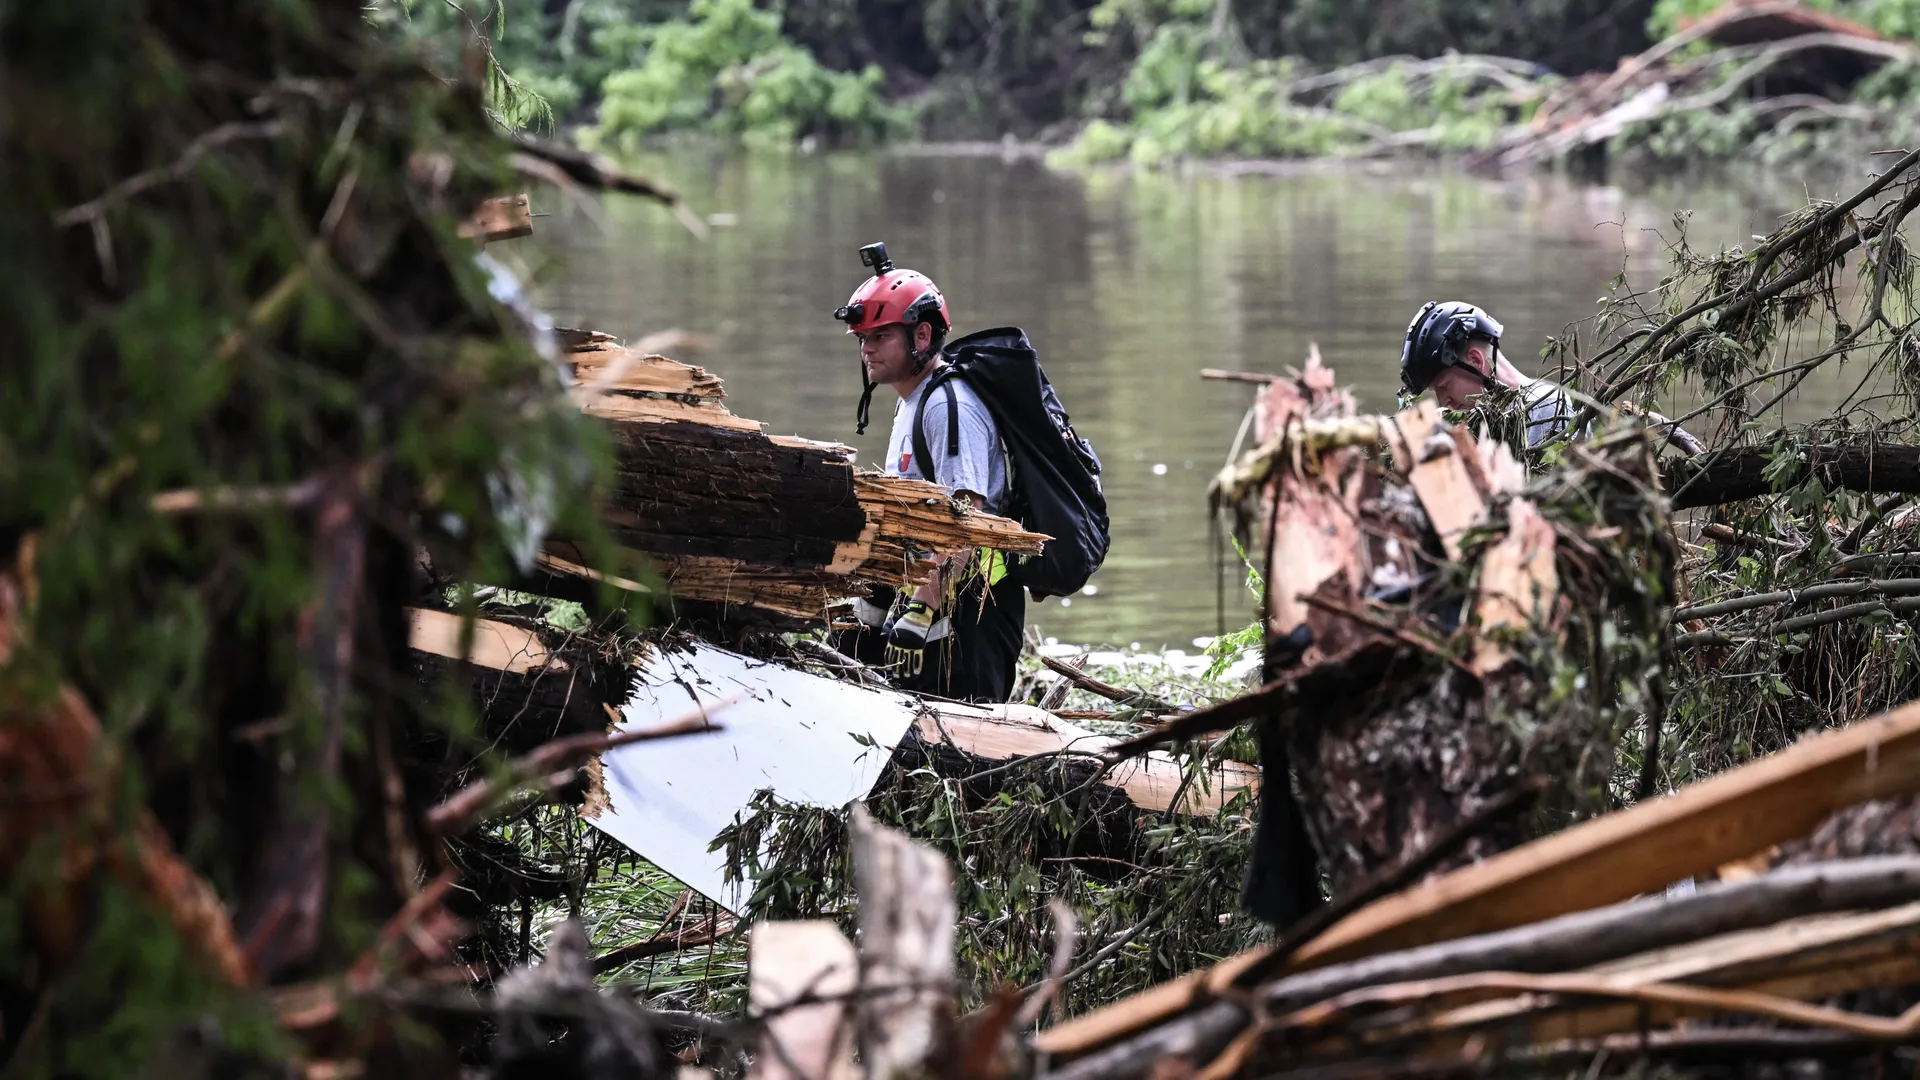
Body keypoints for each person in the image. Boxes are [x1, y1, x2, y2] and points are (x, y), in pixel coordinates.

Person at [828, 245, 1026, 703]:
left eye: (879, 336)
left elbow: (967, 515)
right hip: (929, 599)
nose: (867, 348)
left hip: (972, 609)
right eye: (862, 338)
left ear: (921, 336)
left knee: (970, 754)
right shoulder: (911, 399)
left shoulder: (947, 406)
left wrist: (922, 607)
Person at [1399, 300, 1704, 456]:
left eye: (1444, 387)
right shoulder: (1474, 425)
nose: (1442, 403)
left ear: (1476, 361)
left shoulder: (1542, 406)